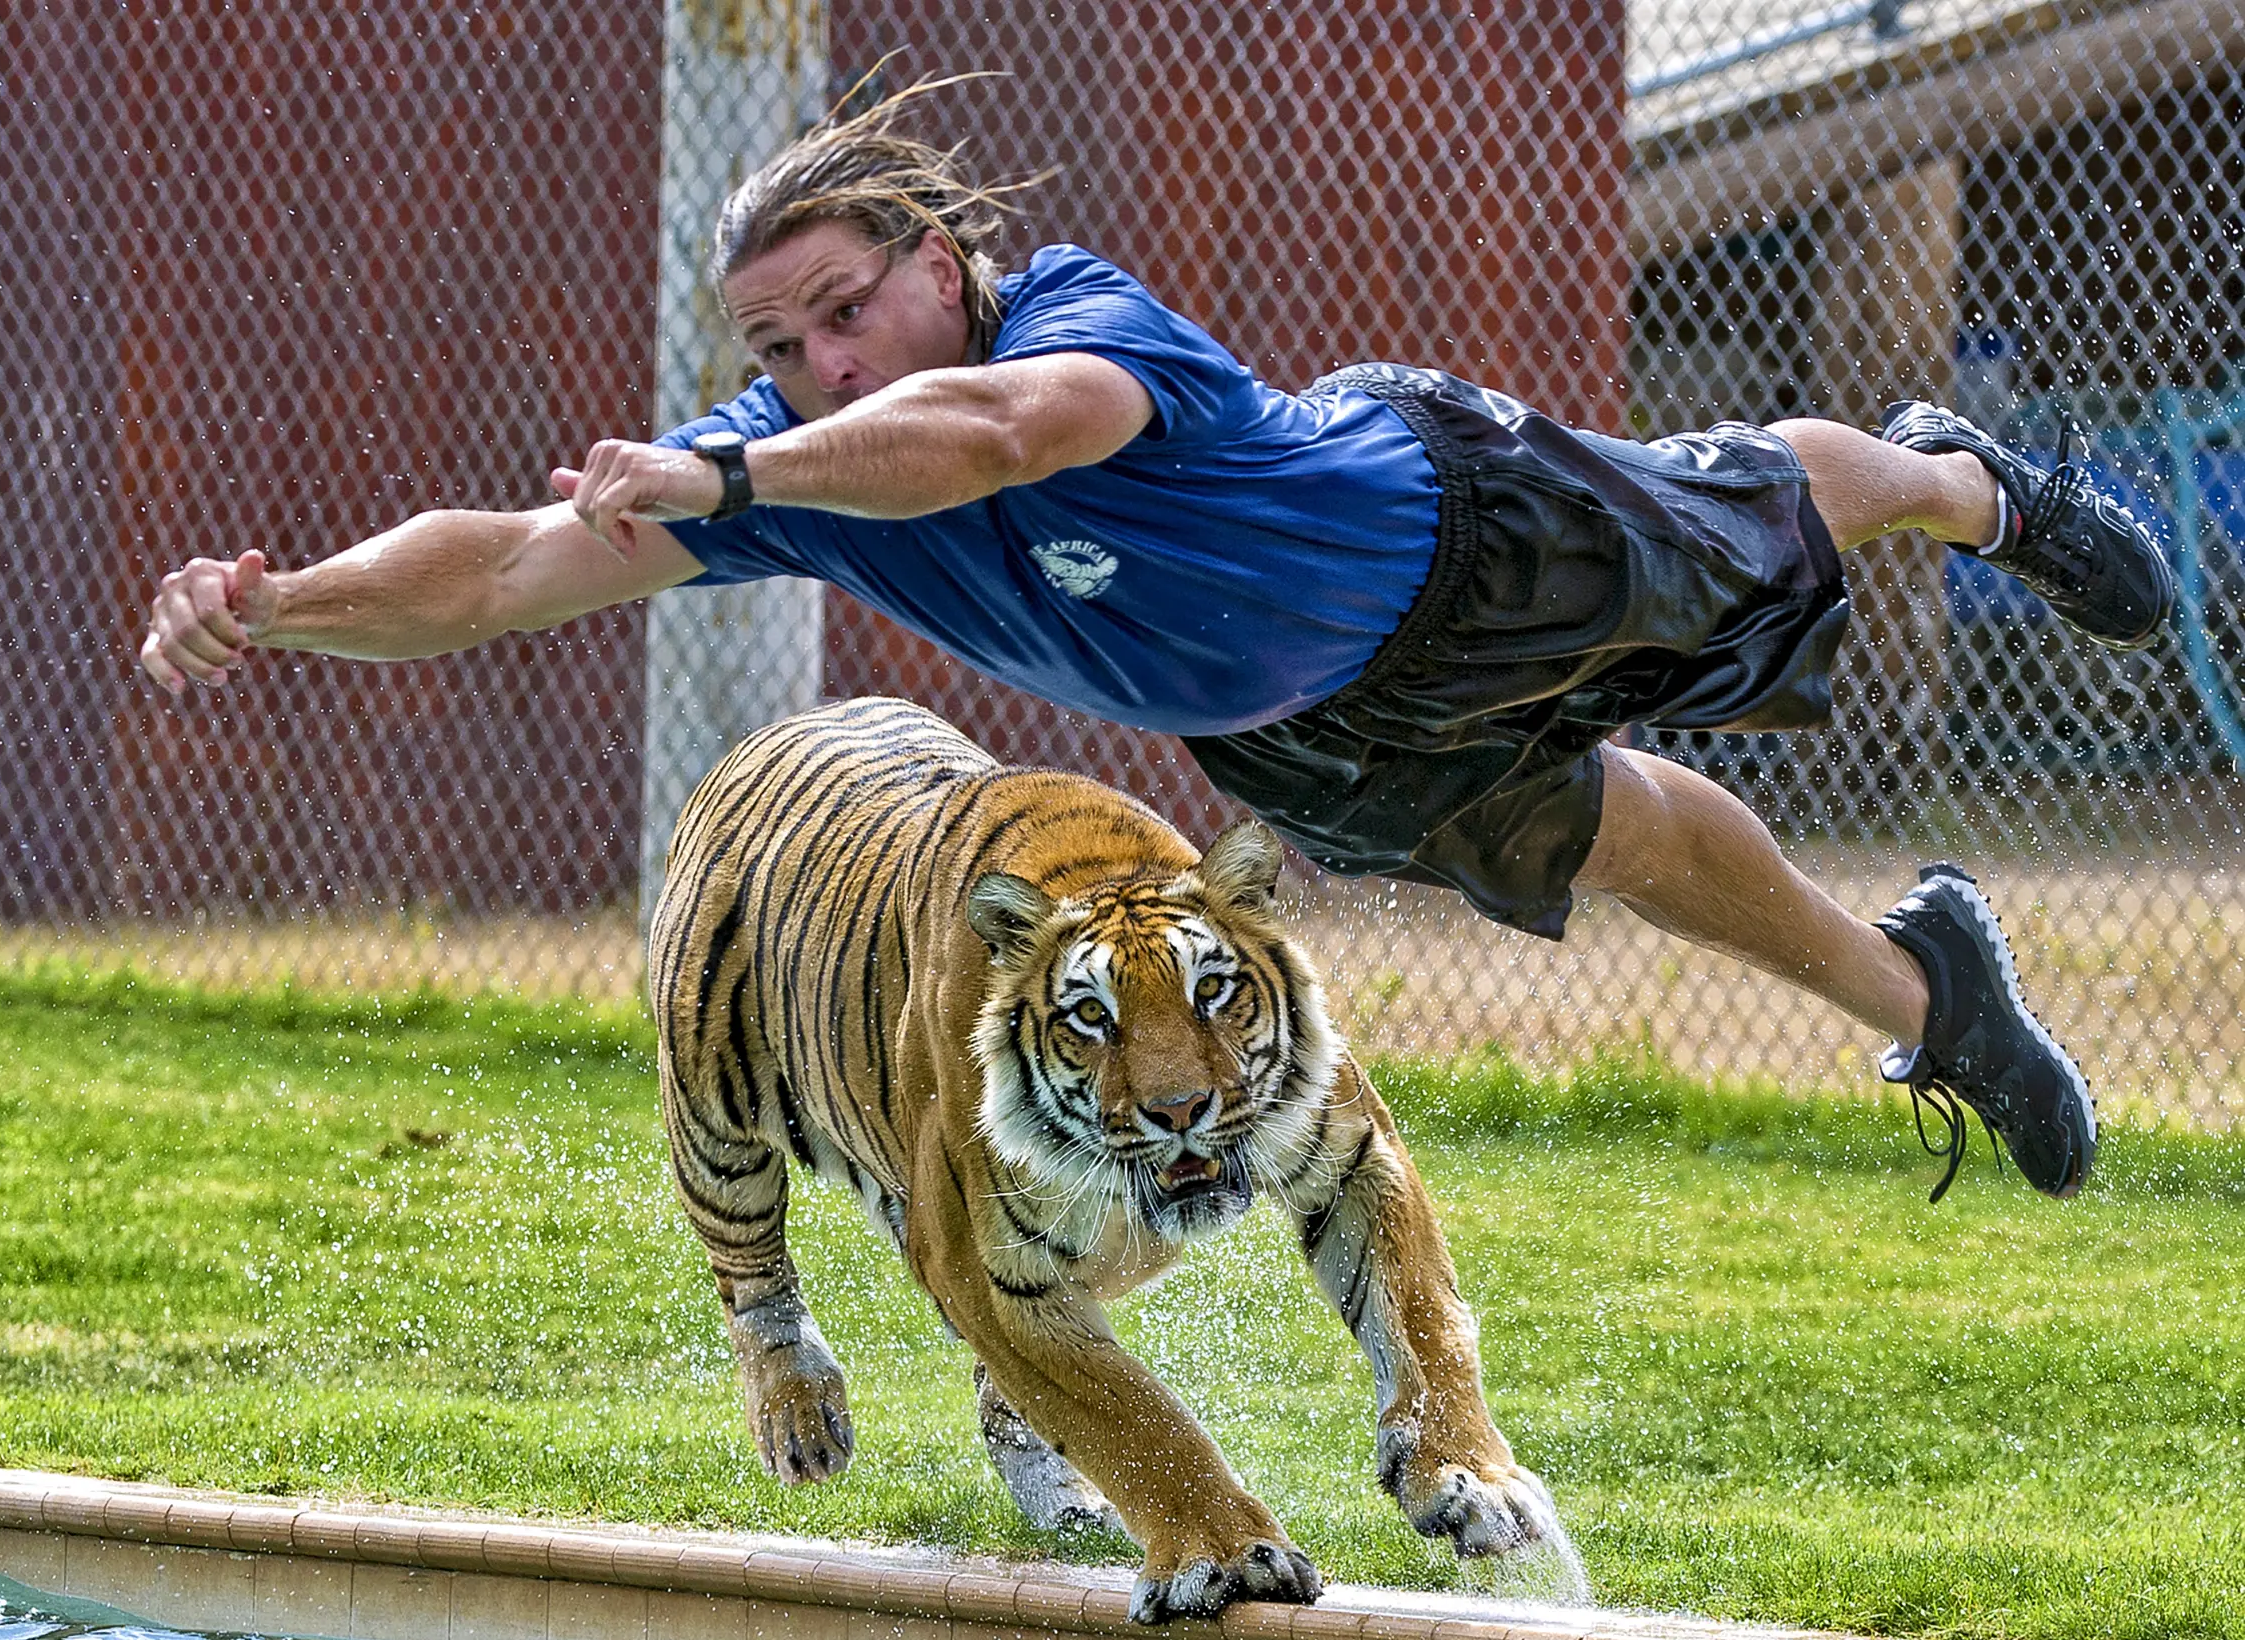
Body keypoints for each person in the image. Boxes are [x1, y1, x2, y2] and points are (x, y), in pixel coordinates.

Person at [141, 92, 2174, 1202]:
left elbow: (1002, 437)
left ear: (939, 264)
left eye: (844, 312)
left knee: (1755, 500)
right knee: (1612, 843)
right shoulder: (779, 457)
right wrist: (282, 601)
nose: (809, 366)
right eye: (772, 350)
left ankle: (1956, 476)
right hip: (1309, 727)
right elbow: (502, 565)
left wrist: (744, 484)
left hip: (1452, 532)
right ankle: (1936, 995)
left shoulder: (1061, 326)